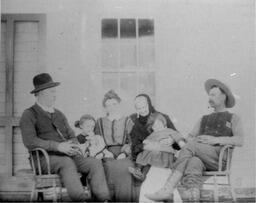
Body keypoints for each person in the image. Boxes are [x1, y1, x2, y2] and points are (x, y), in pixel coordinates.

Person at [145, 79, 244, 202]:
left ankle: (168, 189)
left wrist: (216, 139)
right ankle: (193, 197)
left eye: (213, 94)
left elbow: (240, 140)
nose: (209, 97)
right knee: (193, 161)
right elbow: (189, 138)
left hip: (218, 159)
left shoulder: (233, 118)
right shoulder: (203, 119)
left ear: (223, 97)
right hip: (199, 156)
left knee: (191, 147)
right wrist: (172, 140)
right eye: (209, 95)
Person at [19, 73, 110, 202]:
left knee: (93, 163)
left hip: (67, 155)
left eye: (54, 92)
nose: (55, 95)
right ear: (40, 93)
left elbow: (71, 135)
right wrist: (58, 146)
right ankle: (81, 200)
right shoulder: (29, 114)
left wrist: (73, 146)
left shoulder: (59, 114)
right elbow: (30, 141)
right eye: (51, 92)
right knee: (66, 162)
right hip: (43, 159)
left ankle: (104, 200)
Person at [95, 90, 136, 202]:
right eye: (108, 105)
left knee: (125, 168)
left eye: (114, 104)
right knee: (108, 167)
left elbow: (132, 141)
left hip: (124, 152)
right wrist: (104, 151)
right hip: (106, 152)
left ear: (119, 104)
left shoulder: (127, 121)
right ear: (105, 107)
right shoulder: (99, 122)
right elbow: (97, 140)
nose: (111, 107)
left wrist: (124, 153)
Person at [128, 112, 185, 181]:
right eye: (154, 125)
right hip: (153, 153)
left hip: (165, 154)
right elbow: (146, 141)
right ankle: (139, 171)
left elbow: (178, 138)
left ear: (163, 122)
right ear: (151, 127)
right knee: (144, 154)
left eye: (158, 123)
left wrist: (182, 146)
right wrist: (146, 142)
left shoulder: (169, 131)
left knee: (151, 154)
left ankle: (142, 173)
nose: (157, 126)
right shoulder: (153, 134)